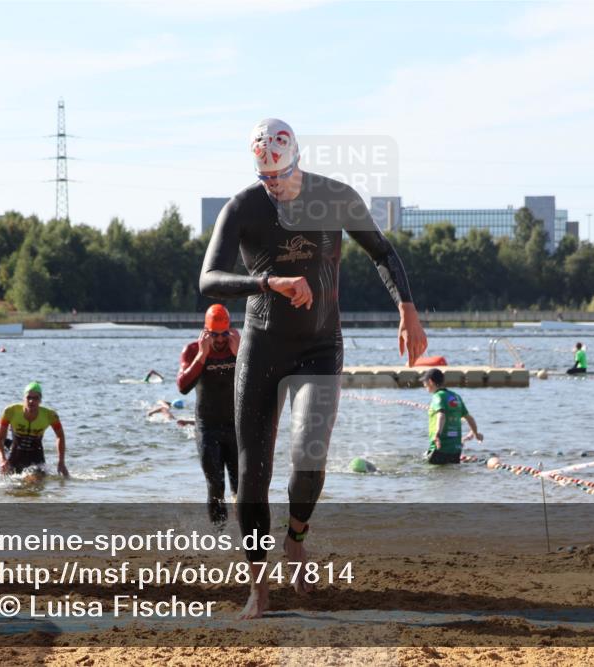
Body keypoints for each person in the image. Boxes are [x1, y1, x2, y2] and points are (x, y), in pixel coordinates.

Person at [199, 118, 427, 619]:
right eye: (265, 177)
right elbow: (209, 279)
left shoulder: (335, 196)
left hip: (321, 345)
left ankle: (296, 537)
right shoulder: (244, 207)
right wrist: (268, 283)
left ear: (297, 160)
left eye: (280, 174)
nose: (274, 185)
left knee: (309, 453)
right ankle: (258, 585)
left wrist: (407, 310)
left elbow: (382, 252)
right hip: (262, 345)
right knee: (251, 474)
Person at [177, 304, 241, 525]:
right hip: (208, 427)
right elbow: (183, 386)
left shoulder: (239, 346)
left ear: (230, 329)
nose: (220, 340)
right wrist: (203, 355)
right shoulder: (193, 350)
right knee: (215, 484)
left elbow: (257, 384)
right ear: (206, 331)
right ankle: (218, 535)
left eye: (224, 334)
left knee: (242, 486)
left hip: (237, 427)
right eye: (214, 335)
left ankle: (246, 536)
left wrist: (239, 355)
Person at [0, 382, 69, 477]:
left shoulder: (50, 415)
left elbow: (60, 436)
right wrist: (2, 459)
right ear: (23, 399)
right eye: (28, 397)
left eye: (35, 398)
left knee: (33, 482)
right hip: (15, 456)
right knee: (10, 489)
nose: (31, 401)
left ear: (40, 400)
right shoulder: (11, 411)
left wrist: (61, 462)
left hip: (36, 459)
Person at [420, 369, 482, 464]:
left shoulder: (437, 396)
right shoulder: (455, 396)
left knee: (432, 475)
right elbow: (469, 418)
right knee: (451, 473)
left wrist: (437, 434)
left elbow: (441, 415)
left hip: (440, 448)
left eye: (425, 382)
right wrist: (476, 434)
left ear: (430, 382)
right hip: (455, 449)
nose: (424, 385)